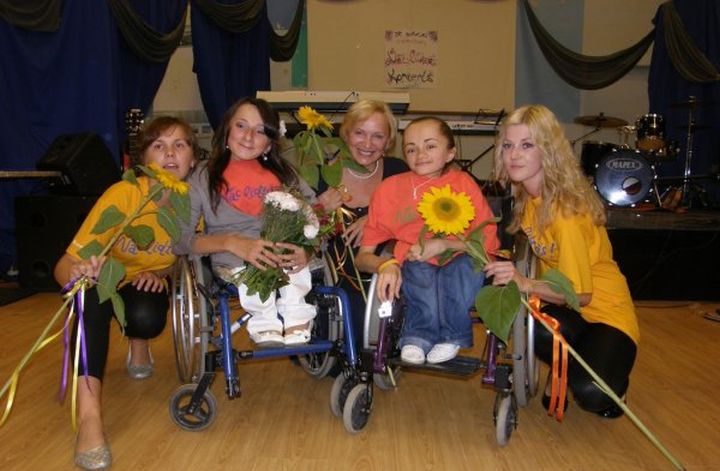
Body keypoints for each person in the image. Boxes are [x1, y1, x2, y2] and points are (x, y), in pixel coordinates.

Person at [54, 116, 199, 471]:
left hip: (146, 286)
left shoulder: (194, 204)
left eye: (179, 145)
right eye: (158, 145)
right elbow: (64, 264)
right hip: (106, 280)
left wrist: (161, 273)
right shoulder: (124, 195)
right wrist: (77, 275)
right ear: (143, 159)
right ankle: (90, 416)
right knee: (88, 298)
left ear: (193, 159)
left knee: (146, 318)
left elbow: (191, 262)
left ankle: (139, 341)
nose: (169, 153)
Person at [484, 104, 639, 419]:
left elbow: (579, 295)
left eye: (527, 145)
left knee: (593, 395)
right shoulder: (529, 197)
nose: (514, 155)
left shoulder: (565, 215)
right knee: (528, 326)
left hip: (604, 314)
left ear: (548, 151)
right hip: (566, 310)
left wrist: (524, 282)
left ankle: (607, 378)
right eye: (508, 145)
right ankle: (565, 365)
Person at [355, 117, 499, 365]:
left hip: (463, 256)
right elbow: (362, 258)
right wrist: (386, 264)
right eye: (411, 149)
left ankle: (452, 336)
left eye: (430, 146)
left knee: (460, 270)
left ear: (450, 153)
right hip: (416, 260)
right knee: (416, 268)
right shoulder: (389, 189)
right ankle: (418, 336)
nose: (420, 154)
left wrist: (446, 245)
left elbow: (486, 243)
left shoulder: (463, 184)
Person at [174, 97, 316, 348]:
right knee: (254, 276)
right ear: (227, 129)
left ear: (270, 141)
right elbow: (180, 240)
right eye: (241, 126)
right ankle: (264, 323)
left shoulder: (285, 174)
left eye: (260, 131)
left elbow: (316, 218)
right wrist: (231, 243)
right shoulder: (202, 178)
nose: (249, 137)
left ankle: (297, 318)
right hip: (234, 262)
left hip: (286, 258)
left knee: (297, 276)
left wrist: (307, 250)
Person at [316, 99, 409, 345]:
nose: (367, 144)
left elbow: (417, 217)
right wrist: (319, 211)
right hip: (338, 273)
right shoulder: (322, 175)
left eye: (378, 136)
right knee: (353, 313)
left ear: (388, 142)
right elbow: (303, 237)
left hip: (388, 266)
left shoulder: (398, 172)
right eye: (359, 133)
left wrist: (376, 217)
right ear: (346, 133)